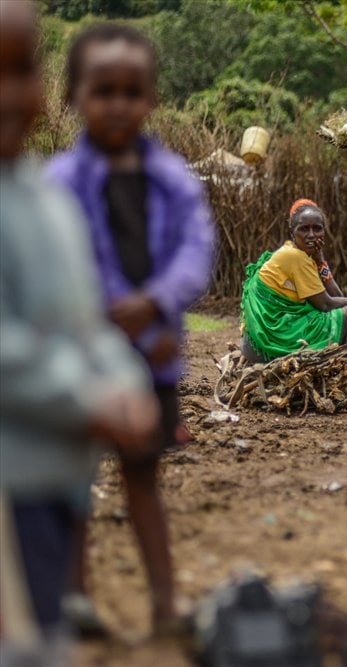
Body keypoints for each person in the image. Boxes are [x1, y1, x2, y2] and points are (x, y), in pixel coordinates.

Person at [1, 2, 157, 667]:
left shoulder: (48, 202)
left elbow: (85, 319)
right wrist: (84, 397)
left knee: (40, 655)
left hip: (51, 485)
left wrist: (123, 380)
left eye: (20, 68)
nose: (8, 92)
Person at [45, 22, 214, 635]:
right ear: (73, 96)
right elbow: (66, 265)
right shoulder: (58, 184)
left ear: (151, 97)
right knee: (73, 478)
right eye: (103, 91)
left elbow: (196, 250)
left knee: (144, 476)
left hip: (153, 358)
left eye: (132, 92)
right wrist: (126, 315)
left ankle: (165, 605)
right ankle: (74, 600)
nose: (118, 105)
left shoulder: (173, 179)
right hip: (83, 357)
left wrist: (157, 304)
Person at [240, 198, 347, 409]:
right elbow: (325, 304)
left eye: (317, 228)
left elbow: (335, 297)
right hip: (271, 341)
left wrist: (320, 259)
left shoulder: (297, 254)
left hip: (265, 338)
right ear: (292, 232)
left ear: (324, 231)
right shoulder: (296, 257)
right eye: (304, 229)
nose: (311, 234)